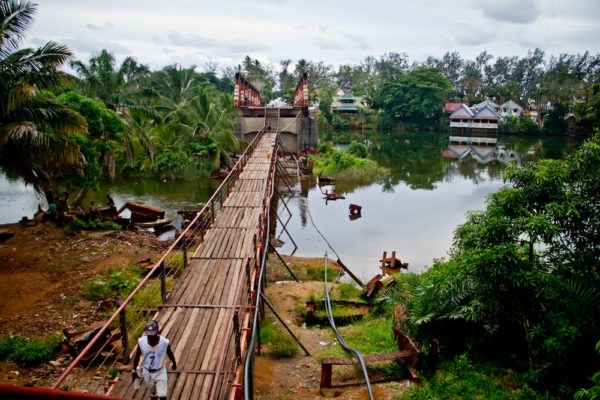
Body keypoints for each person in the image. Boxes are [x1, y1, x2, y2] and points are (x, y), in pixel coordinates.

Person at [132, 320, 177, 400]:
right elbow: (137, 356)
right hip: (147, 372)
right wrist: (134, 370)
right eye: (148, 335)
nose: (150, 337)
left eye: (152, 335)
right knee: (153, 393)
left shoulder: (164, 342)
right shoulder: (141, 341)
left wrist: (174, 363)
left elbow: (170, 353)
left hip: (160, 371)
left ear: (157, 332)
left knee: (162, 396)